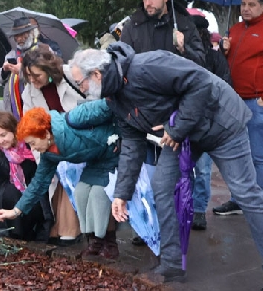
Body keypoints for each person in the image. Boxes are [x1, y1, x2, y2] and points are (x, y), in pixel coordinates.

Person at [70, 43, 263, 283]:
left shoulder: (148, 65)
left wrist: (177, 127)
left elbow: (200, 82)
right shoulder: (114, 99)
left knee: (246, 194)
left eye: (80, 83)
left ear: (96, 74)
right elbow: (132, 145)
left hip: (221, 124)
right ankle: (171, 264)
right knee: (162, 186)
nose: (81, 90)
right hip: (181, 135)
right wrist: (121, 193)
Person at [120, 0, 205, 246]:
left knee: (177, 171)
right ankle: (148, 225)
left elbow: (200, 66)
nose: (148, 2)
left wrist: (184, 47)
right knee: (145, 170)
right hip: (143, 110)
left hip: (175, 111)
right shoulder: (132, 25)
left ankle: (179, 222)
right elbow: (123, 64)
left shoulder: (183, 24)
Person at [0, 102, 119, 258]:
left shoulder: (75, 118)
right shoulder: (48, 154)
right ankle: (95, 242)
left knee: (98, 195)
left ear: (46, 134)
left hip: (114, 151)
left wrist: (123, 136)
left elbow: (111, 105)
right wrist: (15, 211)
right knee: (80, 193)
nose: (32, 148)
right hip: (95, 161)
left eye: (32, 143)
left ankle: (110, 244)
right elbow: (38, 183)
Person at [20, 48, 84, 245]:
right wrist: (42, 156)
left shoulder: (72, 77)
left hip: (79, 140)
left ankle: (70, 230)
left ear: (49, 69)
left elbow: (91, 102)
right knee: (55, 182)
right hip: (49, 145)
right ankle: (64, 228)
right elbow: (30, 125)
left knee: (71, 179)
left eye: (37, 75)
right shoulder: (29, 92)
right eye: (28, 76)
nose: (33, 80)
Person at [213, 0, 263, 216]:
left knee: (256, 156)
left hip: (256, 101)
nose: (246, 8)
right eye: (243, 4)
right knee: (236, 153)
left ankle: (256, 201)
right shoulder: (234, 29)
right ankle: (238, 199)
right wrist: (223, 50)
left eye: (252, 4)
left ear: (261, 5)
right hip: (234, 100)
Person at [0, 111, 51, 241]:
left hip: (34, 188)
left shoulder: (31, 144)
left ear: (14, 130)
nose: (0, 140)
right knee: (12, 191)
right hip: (8, 196)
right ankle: (16, 236)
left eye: (3, 135)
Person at [189, 15, 231, 230]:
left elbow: (224, 85)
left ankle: (198, 210)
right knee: (184, 169)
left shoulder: (215, 58)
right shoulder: (180, 56)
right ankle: (187, 209)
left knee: (202, 169)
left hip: (205, 122)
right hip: (184, 121)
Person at [0, 17, 48, 120]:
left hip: (36, 108)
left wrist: (22, 70)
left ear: (31, 33)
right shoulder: (11, 54)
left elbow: (47, 78)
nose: (19, 39)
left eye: (22, 34)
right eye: (16, 35)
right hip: (13, 111)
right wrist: (4, 71)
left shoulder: (43, 50)